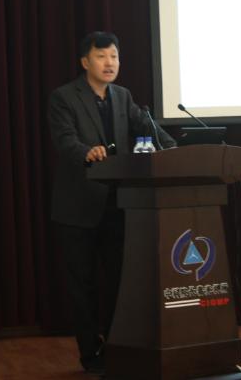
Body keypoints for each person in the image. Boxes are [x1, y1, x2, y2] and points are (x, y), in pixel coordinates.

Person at [48, 31, 176, 373]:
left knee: (120, 282)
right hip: (77, 209)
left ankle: (118, 347)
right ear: (85, 62)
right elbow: (65, 140)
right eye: (102, 56)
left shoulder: (122, 96)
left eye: (114, 57)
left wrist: (174, 150)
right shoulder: (64, 97)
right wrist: (86, 152)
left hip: (117, 206)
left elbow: (146, 126)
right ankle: (91, 355)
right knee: (83, 287)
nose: (110, 63)